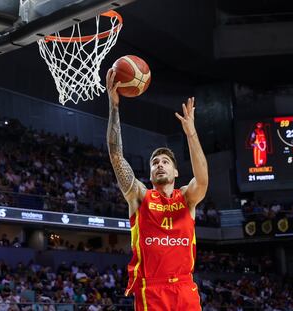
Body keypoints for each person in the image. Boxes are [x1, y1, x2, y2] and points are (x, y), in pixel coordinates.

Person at [106, 68, 208, 310]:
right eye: (155, 163)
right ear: (151, 173)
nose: (159, 165)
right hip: (151, 289)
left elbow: (202, 179)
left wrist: (191, 133)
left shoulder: (187, 198)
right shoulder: (140, 197)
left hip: (185, 288)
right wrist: (114, 107)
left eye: (165, 162)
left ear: (175, 172)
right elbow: (116, 156)